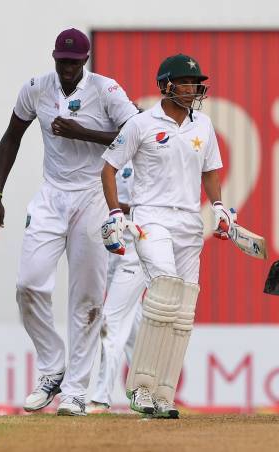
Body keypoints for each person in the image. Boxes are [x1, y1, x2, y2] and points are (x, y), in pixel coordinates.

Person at [0, 28, 139, 415]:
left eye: (73, 63)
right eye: (61, 61)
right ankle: (53, 366)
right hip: (52, 195)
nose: (67, 69)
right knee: (28, 284)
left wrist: (83, 133)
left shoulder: (105, 90)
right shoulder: (36, 88)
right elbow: (11, 137)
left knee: (87, 299)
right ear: (53, 57)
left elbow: (138, 133)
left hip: (93, 195)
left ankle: (74, 391)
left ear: (85, 60)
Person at [100, 54, 228, 418]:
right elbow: (108, 169)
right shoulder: (141, 124)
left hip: (189, 222)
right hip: (150, 219)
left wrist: (219, 207)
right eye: (185, 82)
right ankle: (140, 389)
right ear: (166, 85)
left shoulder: (202, 125)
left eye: (195, 83)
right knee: (165, 293)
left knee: (183, 310)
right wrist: (114, 213)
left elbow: (211, 171)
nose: (192, 89)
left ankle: (163, 392)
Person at [86, 164, 144, 414]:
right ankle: (147, 390)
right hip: (110, 248)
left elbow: (152, 202)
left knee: (111, 319)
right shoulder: (108, 154)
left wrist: (113, 204)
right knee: (133, 326)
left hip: (135, 247)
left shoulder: (146, 149)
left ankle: (101, 396)